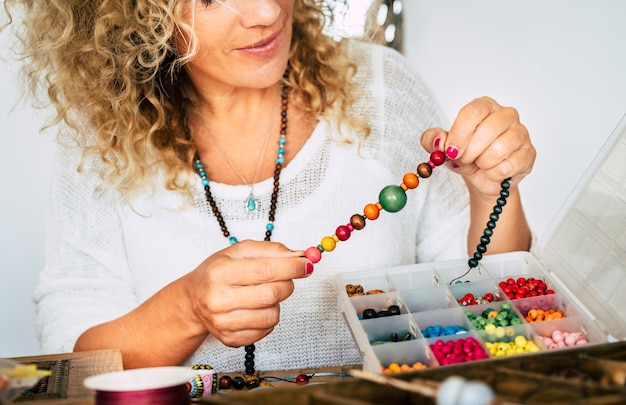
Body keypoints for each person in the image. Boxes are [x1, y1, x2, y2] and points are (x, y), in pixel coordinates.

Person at [7, 0, 535, 373]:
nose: (264, 13)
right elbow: (70, 361)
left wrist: (492, 195)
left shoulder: (381, 87)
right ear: (134, 17)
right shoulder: (104, 140)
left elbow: (489, 309)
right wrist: (187, 309)